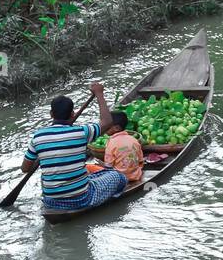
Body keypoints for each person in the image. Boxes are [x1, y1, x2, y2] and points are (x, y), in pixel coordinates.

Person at [22, 82, 128, 212]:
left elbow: (25, 169)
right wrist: (99, 94)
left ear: (51, 114)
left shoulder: (37, 137)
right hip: (82, 199)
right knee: (119, 177)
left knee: (88, 175)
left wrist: (46, 157)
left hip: (51, 201)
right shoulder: (82, 132)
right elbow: (107, 122)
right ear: (72, 114)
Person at [104, 110, 145, 184]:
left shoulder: (111, 142)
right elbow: (141, 161)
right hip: (136, 175)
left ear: (116, 128)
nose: (103, 127)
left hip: (120, 179)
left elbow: (108, 166)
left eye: (106, 125)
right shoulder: (134, 140)